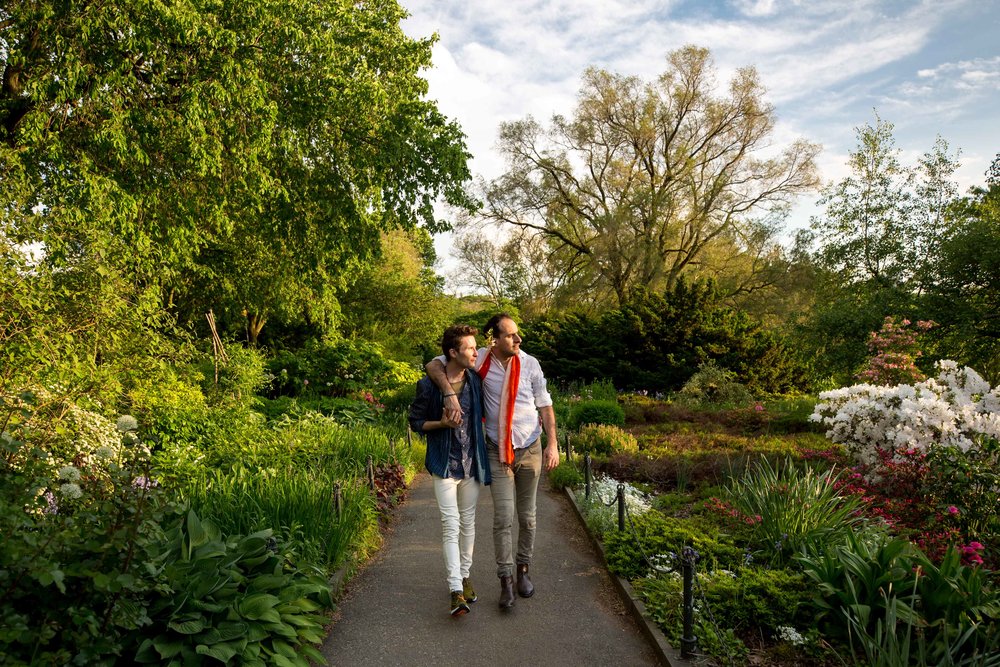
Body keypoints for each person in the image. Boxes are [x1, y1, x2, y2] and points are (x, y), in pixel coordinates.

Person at [426, 313, 559, 610]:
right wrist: (448, 393)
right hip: (496, 451)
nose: (518, 339)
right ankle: (505, 581)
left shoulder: (530, 364)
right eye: (511, 335)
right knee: (502, 518)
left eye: (518, 334)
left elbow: (545, 405)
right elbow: (435, 364)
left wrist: (553, 444)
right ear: (494, 339)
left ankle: (522, 570)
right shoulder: (480, 359)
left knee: (527, 517)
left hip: (530, 448)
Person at [409, 325, 492, 617]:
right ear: (453, 353)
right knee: (450, 523)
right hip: (444, 462)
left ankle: (465, 576)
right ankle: (455, 589)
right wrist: (442, 424)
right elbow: (416, 422)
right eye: (470, 347)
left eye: (475, 346)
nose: (475, 351)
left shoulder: (475, 381)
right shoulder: (429, 385)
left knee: (468, 523)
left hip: (471, 461)